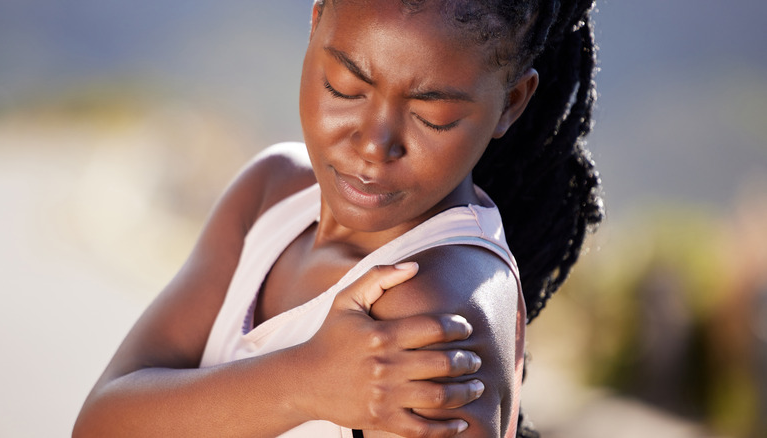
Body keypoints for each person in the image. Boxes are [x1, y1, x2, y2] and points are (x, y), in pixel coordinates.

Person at [73, 0, 602, 437]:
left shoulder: (435, 314)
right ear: (315, 20)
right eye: (345, 86)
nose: (374, 144)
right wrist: (303, 382)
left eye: (431, 116)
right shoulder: (272, 195)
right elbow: (99, 423)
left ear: (511, 103)